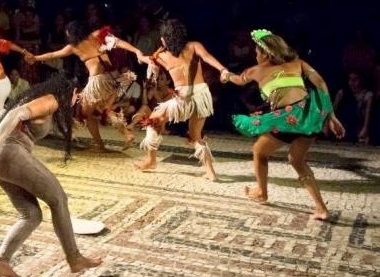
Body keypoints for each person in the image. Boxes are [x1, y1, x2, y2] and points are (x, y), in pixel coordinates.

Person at [0, 73, 102, 277]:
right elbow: (15, 114)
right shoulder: (51, 100)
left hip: (2, 162)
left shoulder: (43, 102)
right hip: (10, 155)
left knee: (31, 215)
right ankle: (74, 258)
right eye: (78, 96)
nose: (77, 101)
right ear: (72, 92)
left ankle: (2, 263)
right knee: (59, 199)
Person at [221, 29, 345, 221]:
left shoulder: (256, 71)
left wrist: (226, 75)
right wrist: (331, 115)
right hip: (309, 115)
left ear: (266, 53)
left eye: (257, 51)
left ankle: (261, 192)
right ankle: (321, 209)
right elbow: (320, 83)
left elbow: (238, 80)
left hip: (287, 119)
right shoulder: (297, 62)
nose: (255, 54)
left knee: (259, 151)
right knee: (296, 160)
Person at [29, 21, 146, 152]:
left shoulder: (73, 47)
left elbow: (53, 55)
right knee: (103, 110)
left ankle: (100, 144)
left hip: (98, 82)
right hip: (114, 78)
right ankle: (125, 134)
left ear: (71, 34)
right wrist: (136, 51)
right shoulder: (96, 35)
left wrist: (35, 58)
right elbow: (118, 42)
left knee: (83, 113)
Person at [135, 19, 228, 181]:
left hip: (184, 97)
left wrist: (138, 54)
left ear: (164, 39)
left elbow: (146, 59)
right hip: (202, 95)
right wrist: (223, 69)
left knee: (153, 120)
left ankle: (151, 160)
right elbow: (207, 57)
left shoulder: (162, 55)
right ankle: (210, 172)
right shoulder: (194, 46)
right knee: (196, 135)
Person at [334, 71, 374, 143]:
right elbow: (332, 111)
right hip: (342, 127)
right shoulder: (342, 93)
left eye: (355, 80)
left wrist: (365, 130)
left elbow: (368, 116)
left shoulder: (367, 95)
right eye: (350, 79)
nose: (352, 83)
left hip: (357, 128)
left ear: (361, 80)